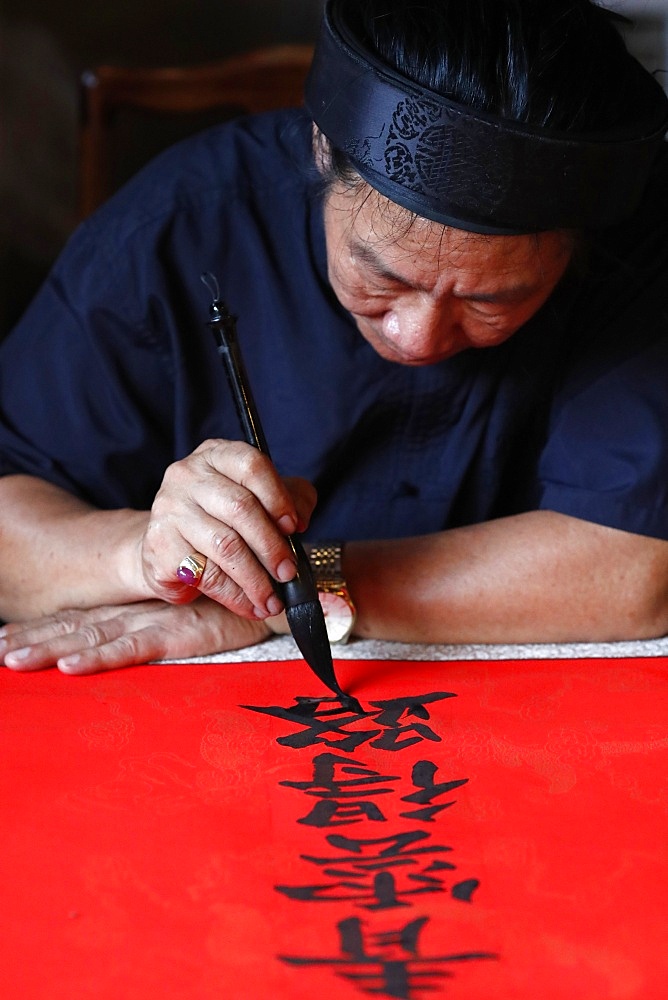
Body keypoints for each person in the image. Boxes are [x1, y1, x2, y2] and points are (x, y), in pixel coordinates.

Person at [0, 0, 667, 675]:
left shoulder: (635, 250)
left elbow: (636, 569)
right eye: (380, 278)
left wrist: (283, 597)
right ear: (321, 144)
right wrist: (149, 554)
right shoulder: (178, 229)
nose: (417, 338)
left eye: (490, 298)